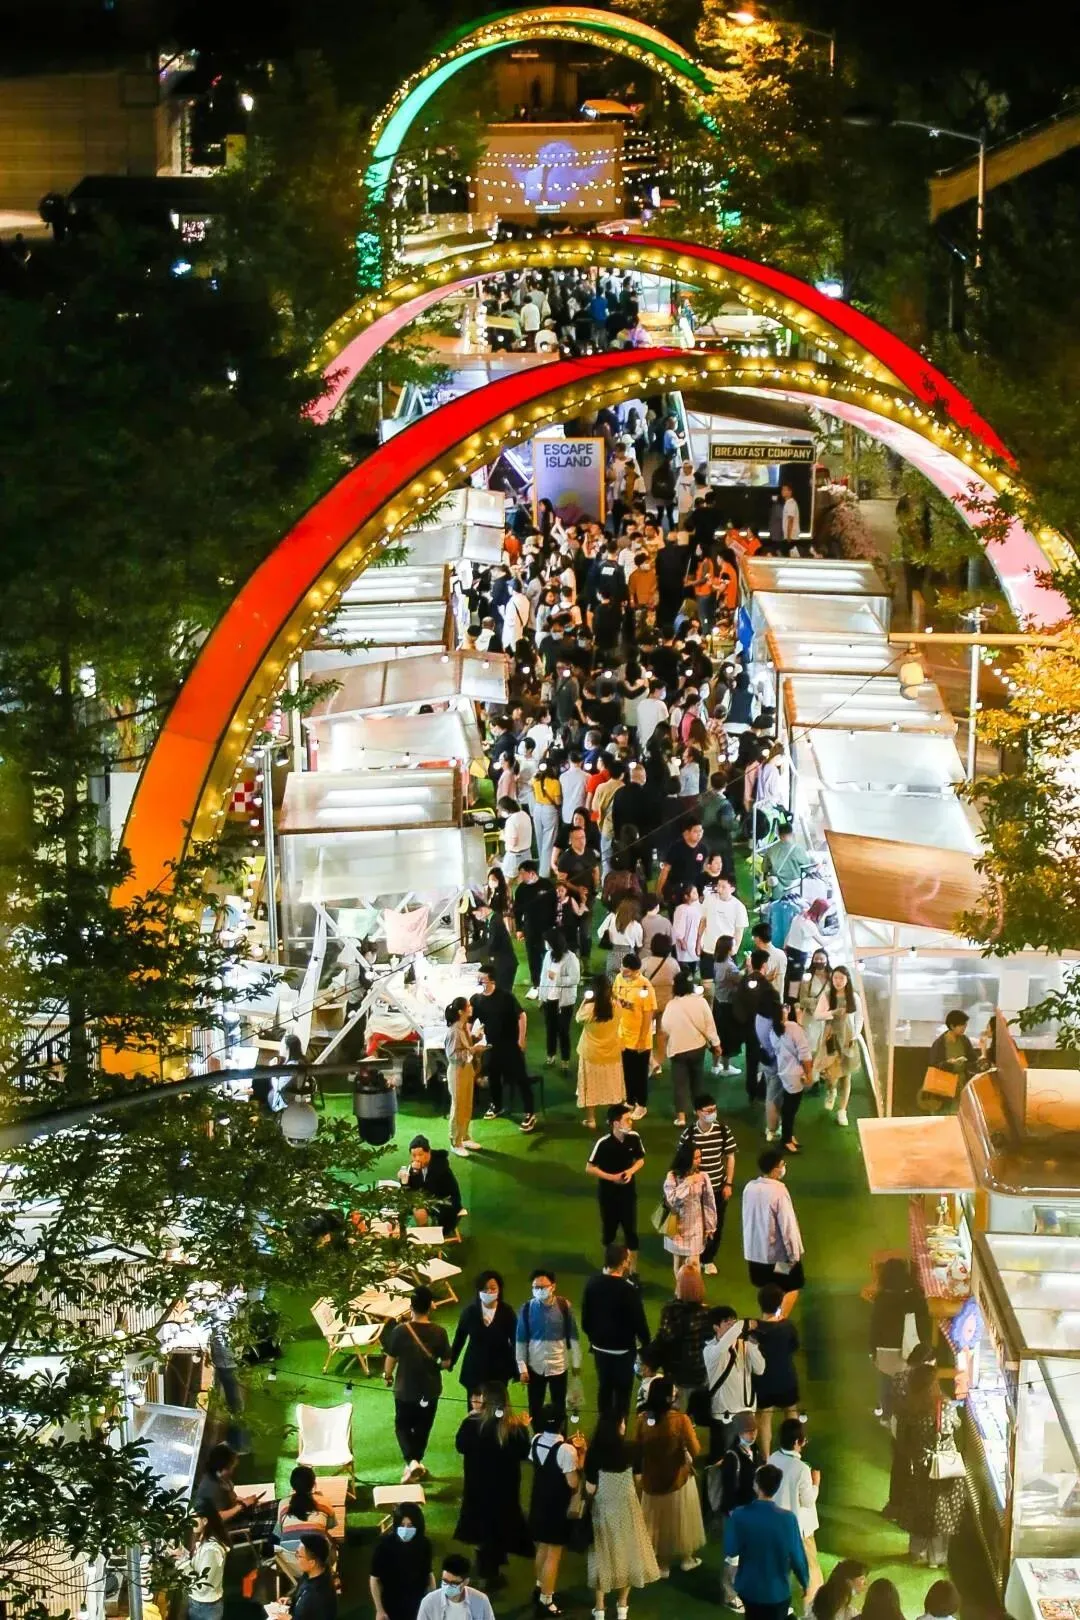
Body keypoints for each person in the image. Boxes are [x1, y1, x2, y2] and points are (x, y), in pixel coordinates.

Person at [454, 1383, 533, 1589]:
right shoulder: (514, 1428)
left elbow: (460, 1445)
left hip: (478, 1488)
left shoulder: (472, 1424)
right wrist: (525, 1427)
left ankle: (486, 1570)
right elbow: (524, 1452)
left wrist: (469, 1417)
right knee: (499, 1527)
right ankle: (491, 1570)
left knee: (483, 1528)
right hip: (504, 1491)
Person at [585, 1412, 661, 1620]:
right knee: (629, 1554)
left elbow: (590, 1488)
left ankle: (600, 1608)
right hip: (627, 1508)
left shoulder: (594, 1453)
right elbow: (639, 1480)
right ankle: (622, 1606)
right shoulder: (633, 1449)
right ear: (619, 1427)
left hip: (602, 1510)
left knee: (601, 1556)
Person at [890, 1363, 965, 1568]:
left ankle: (917, 1551)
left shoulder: (908, 1410)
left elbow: (902, 1440)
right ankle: (937, 1558)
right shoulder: (945, 1407)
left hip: (921, 1469)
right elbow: (957, 1425)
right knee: (942, 1513)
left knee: (919, 1511)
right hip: (945, 1470)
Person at [631, 1377, 705, 1575]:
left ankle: (662, 1565)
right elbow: (696, 1449)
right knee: (683, 1521)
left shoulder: (642, 1420)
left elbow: (636, 1448)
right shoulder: (681, 1420)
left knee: (657, 1524)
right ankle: (687, 1558)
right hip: (677, 1478)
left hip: (652, 1480)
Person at [384, 1286, 452, 1484]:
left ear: (411, 1307)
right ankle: (415, 1462)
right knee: (423, 1426)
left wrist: (387, 1376)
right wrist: (437, 1366)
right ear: (430, 1306)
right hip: (429, 1391)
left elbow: (391, 1358)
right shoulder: (439, 1332)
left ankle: (411, 1462)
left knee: (402, 1426)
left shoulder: (400, 1331)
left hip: (405, 1390)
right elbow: (446, 1362)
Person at [723, 1463, 809, 1620]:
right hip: (777, 1592)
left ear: (756, 1485)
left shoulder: (740, 1515)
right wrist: (804, 1582)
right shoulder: (788, 1519)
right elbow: (797, 1557)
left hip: (749, 1588)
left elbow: (731, 1550)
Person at [581, 1242, 651, 1420]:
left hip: (600, 1349)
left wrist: (595, 1338)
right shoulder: (628, 1290)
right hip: (623, 1352)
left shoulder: (591, 1284)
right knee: (622, 1394)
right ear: (623, 1262)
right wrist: (646, 1344)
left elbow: (585, 1321)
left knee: (604, 1388)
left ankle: (603, 1427)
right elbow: (639, 1322)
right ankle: (619, 1428)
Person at [529, 1405, 586, 1616]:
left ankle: (539, 1586)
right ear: (562, 1423)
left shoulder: (536, 1440)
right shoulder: (566, 1451)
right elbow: (573, 1482)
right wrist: (581, 1453)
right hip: (557, 1507)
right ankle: (547, 1599)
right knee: (554, 1554)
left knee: (542, 1548)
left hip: (538, 1503)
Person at [471, 965, 536, 1132]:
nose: (479, 982)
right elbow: (470, 1021)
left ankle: (530, 1112)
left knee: (521, 1078)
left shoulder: (506, 997)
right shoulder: (476, 1000)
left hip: (511, 1044)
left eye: (482, 979)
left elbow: (522, 1016)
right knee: (493, 1076)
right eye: (478, 979)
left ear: (492, 980)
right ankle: (497, 1105)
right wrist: (470, 1037)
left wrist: (521, 1040)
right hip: (492, 1045)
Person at [516, 1267, 582, 1428]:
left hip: (559, 1366)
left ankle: (560, 1437)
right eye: (536, 1287)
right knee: (535, 1407)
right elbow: (520, 1340)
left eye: (543, 1287)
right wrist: (522, 1368)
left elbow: (573, 1336)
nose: (539, 1290)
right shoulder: (527, 1309)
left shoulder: (564, 1306)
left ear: (553, 1286)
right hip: (535, 1367)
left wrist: (576, 1362)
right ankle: (537, 1437)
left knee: (559, 1408)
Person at [767, 1418, 822, 1609]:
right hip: (800, 1529)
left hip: (776, 1525)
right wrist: (816, 1484)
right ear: (797, 1442)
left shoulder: (773, 1458)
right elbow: (808, 1501)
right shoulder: (802, 1469)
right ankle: (813, 1609)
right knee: (810, 1571)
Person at [742, 1150, 805, 1315]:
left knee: (767, 1293)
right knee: (791, 1287)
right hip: (777, 1258)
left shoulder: (749, 1188)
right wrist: (793, 1256)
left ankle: (767, 1320)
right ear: (775, 1169)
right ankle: (779, 1321)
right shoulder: (779, 1192)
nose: (784, 1167)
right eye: (782, 1164)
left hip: (755, 1257)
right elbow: (788, 1227)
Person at [678, 1094, 737, 1273]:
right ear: (698, 1112)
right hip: (696, 1190)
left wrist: (728, 1184)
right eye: (708, 1110)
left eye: (714, 1109)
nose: (712, 1113)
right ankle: (694, 1255)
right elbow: (682, 1161)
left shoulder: (723, 1130)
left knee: (716, 1224)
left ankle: (708, 1259)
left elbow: (730, 1157)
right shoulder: (689, 1134)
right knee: (695, 1224)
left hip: (718, 1188)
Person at [709, 1412, 764, 1601]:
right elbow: (729, 1490)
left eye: (754, 1430)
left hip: (750, 1511)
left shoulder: (755, 1452)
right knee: (733, 1556)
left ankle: (741, 1588)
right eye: (748, 1431)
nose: (752, 1434)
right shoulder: (732, 1456)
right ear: (738, 1432)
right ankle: (729, 1596)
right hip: (736, 1514)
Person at [869, 1258, 932, 1421]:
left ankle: (886, 1414)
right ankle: (905, 1415)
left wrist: (872, 1353)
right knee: (908, 1387)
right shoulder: (917, 1297)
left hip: (885, 1355)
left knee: (885, 1384)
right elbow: (925, 1326)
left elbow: (874, 1329)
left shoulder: (881, 1299)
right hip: (911, 1353)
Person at [702, 1306, 766, 1459]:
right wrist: (744, 1324)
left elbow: (760, 1369)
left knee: (748, 1457)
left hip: (746, 1412)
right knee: (724, 1459)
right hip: (725, 1416)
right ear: (715, 1327)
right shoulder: (710, 1350)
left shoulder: (744, 1345)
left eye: (734, 1321)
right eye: (727, 1322)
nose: (732, 1325)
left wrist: (753, 1346)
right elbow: (723, 1346)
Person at [586, 1104, 646, 1265]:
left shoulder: (634, 1137)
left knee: (631, 1232)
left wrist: (630, 1171)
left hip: (628, 1193)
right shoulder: (603, 1143)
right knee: (609, 1232)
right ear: (616, 1123)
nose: (631, 1122)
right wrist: (612, 1177)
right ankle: (610, 1267)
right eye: (627, 1120)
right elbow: (589, 1167)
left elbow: (640, 1160)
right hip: (608, 1195)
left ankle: (632, 1271)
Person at [661, 974, 722, 1126]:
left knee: (679, 1084)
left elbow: (665, 1026)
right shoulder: (701, 1002)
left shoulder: (671, 1005)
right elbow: (709, 1025)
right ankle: (699, 1111)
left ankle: (681, 1117)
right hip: (697, 1047)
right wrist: (716, 1044)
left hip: (678, 1049)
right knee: (697, 1081)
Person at [448, 1270, 518, 1395]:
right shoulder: (469, 1312)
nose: (489, 1292)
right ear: (478, 1290)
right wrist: (451, 1361)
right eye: (484, 1289)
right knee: (475, 1405)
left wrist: (518, 1368)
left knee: (497, 1404)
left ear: (499, 1289)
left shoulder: (507, 1312)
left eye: (493, 1288)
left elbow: (515, 1341)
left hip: (499, 1369)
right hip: (474, 1368)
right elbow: (459, 1339)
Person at [652, 1264, 711, 1410]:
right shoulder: (707, 1313)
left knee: (677, 1413)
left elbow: (664, 1338)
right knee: (695, 1412)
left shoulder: (670, 1311)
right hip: (700, 1371)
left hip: (676, 1372)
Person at [752, 1284, 801, 1457]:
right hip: (786, 1378)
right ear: (780, 1303)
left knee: (765, 1417)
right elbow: (794, 1347)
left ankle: (765, 1458)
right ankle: (795, 1450)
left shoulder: (754, 1329)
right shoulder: (788, 1327)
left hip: (763, 1381)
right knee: (791, 1411)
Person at [575, 974, 625, 1129]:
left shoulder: (589, 1009)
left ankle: (591, 1120)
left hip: (591, 1052)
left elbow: (578, 1018)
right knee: (613, 1088)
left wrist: (586, 1000)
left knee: (590, 1087)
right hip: (612, 1051)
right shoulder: (616, 1006)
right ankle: (613, 1119)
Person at [369, 1505, 435, 1620]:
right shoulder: (384, 1546)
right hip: (392, 1604)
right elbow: (374, 1579)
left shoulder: (424, 1544)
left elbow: (428, 1574)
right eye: (402, 1525)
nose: (405, 1529)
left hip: (417, 1603)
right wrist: (380, 1610)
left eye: (410, 1526)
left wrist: (433, 1603)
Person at [612, 953, 657, 1119]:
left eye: (631, 971)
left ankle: (642, 1105)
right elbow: (614, 999)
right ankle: (630, 1100)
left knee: (640, 1074)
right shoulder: (619, 979)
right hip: (623, 1036)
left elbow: (648, 1015)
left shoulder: (645, 986)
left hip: (640, 1039)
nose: (626, 972)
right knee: (627, 1071)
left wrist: (642, 1040)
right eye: (624, 968)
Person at [813, 965, 860, 1126]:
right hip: (831, 1037)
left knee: (846, 1074)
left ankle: (842, 1111)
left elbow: (859, 1018)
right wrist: (832, 1013)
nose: (838, 981)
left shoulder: (854, 997)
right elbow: (817, 1015)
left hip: (847, 1038)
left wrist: (855, 1035)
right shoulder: (827, 995)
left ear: (847, 980)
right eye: (835, 978)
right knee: (831, 1073)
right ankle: (831, 1090)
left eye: (841, 978)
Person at [661, 1140, 717, 1273]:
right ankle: (680, 1286)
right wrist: (687, 1183)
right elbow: (673, 1200)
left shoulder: (703, 1177)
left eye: (700, 1157)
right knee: (679, 1262)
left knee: (694, 1262)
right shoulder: (672, 1177)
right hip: (676, 1225)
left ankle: (693, 1286)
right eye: (695, 1158)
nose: (699, 1160)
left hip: (696, 1225)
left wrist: (710, 1226)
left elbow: (709, 1203)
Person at [770, 1002, 814, 1154]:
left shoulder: (773, 1031)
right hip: (797, 1074)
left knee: (788, 1106)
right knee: (791, 1109)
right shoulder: (792, 1028)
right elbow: (804, 1054)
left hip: (785, 1073)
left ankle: (788, 1136)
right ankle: (786, 1140)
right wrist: (809, 1074)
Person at [400, 1135, 464, 1236]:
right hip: (428, 1199)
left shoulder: (441, 1168)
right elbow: (410, 1192)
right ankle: (423, 1233)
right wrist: (404, 1181)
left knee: (419, 1209)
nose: (417, 1159)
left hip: (446, 1200)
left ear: (428, 1152)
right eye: (414, 1155)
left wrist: (415, 1175)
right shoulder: (414, 1167)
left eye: (420, 1155)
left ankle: (431, 1236)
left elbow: (428, 1190)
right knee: (416, 1209)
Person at [444, 998, 483, 1158]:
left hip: (466, 1069)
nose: (471, 1007)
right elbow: (452, 1055)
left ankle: (464, 1136)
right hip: (457, 1071)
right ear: (461, 1011)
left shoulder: (463, 1027)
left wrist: (475, 1038)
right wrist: (473, 1050)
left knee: (467, 1104)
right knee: (458, 1106)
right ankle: (455, 1141)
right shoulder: (454, 1031)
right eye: (468, 1006)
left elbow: (464, 1047)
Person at [514, 861, 558, 995]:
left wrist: (555, 923)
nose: (520, 876)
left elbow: (555, 904)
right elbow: (517, 910)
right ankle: (537, 984)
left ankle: (550, 982)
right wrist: (519, 929)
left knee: (548, 955)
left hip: (547, 928)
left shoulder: (547, 884)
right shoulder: (521, 889)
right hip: (530, 928)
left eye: (522, 873)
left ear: (532, 873)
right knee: (533, 957)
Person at [538, 928, 580, 1068]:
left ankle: (565, 1061)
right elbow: (543, 977)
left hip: (564, 1002)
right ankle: (550, 1057)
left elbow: (575, 979)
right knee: (550, 1029)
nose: (545, 944)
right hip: (549, 999)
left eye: (547, 941)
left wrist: (557, 978)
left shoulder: (570, 958)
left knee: (563, 1031)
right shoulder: (548, 956)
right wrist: (541, 996)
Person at [194, 1442, 263, 1525]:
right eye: (231, 1467)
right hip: (226, 1526)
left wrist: (246, 1501)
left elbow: (232, 1497)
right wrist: (242, 1505)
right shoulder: (210, 1487)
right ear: (223, 1467)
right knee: (272, 1521)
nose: (232, 1471)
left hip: (237, 1515)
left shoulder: (222, 1478)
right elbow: (218, 1518)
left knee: (275, 1507)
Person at [178, 1506, 228, 1620]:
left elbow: (202, 1587)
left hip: (207, 1607)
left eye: (194, 1518)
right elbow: (196, 1564)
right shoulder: (202, 1541)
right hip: (197, 1602)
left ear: (205, 1521)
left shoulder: (212, 1550)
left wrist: (181, 1560)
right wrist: (180, 1553)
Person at [415, 1553, 495, 1620]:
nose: (447, 1587)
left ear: (466, 1582)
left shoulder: (481, 1601)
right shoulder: (429, 1602)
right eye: (445, 1581)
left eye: (453, 1583)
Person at [276, 1465, 338, 1551]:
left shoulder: (283, 1503)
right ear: (313, 1484)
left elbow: (280, 1531)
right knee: (330, 1542)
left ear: (292, 1485)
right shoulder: (324, 1502)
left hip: (288, 1557)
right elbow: (331, 1524)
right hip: (317, 1556)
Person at [291, 1533, 337, 1620]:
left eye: (299, 1556)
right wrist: (291, 1600)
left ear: (312, 1563)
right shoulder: (309, 1575)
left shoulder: (319, 1595)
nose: (296, 1558)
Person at [499, 796, 534, 880]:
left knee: (507, 879)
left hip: (514, 856)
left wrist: (503, 836)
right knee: (525, 880)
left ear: (506, 810)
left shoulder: (511, 821)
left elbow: (513, 842)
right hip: (527, 853)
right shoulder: (524, 814)